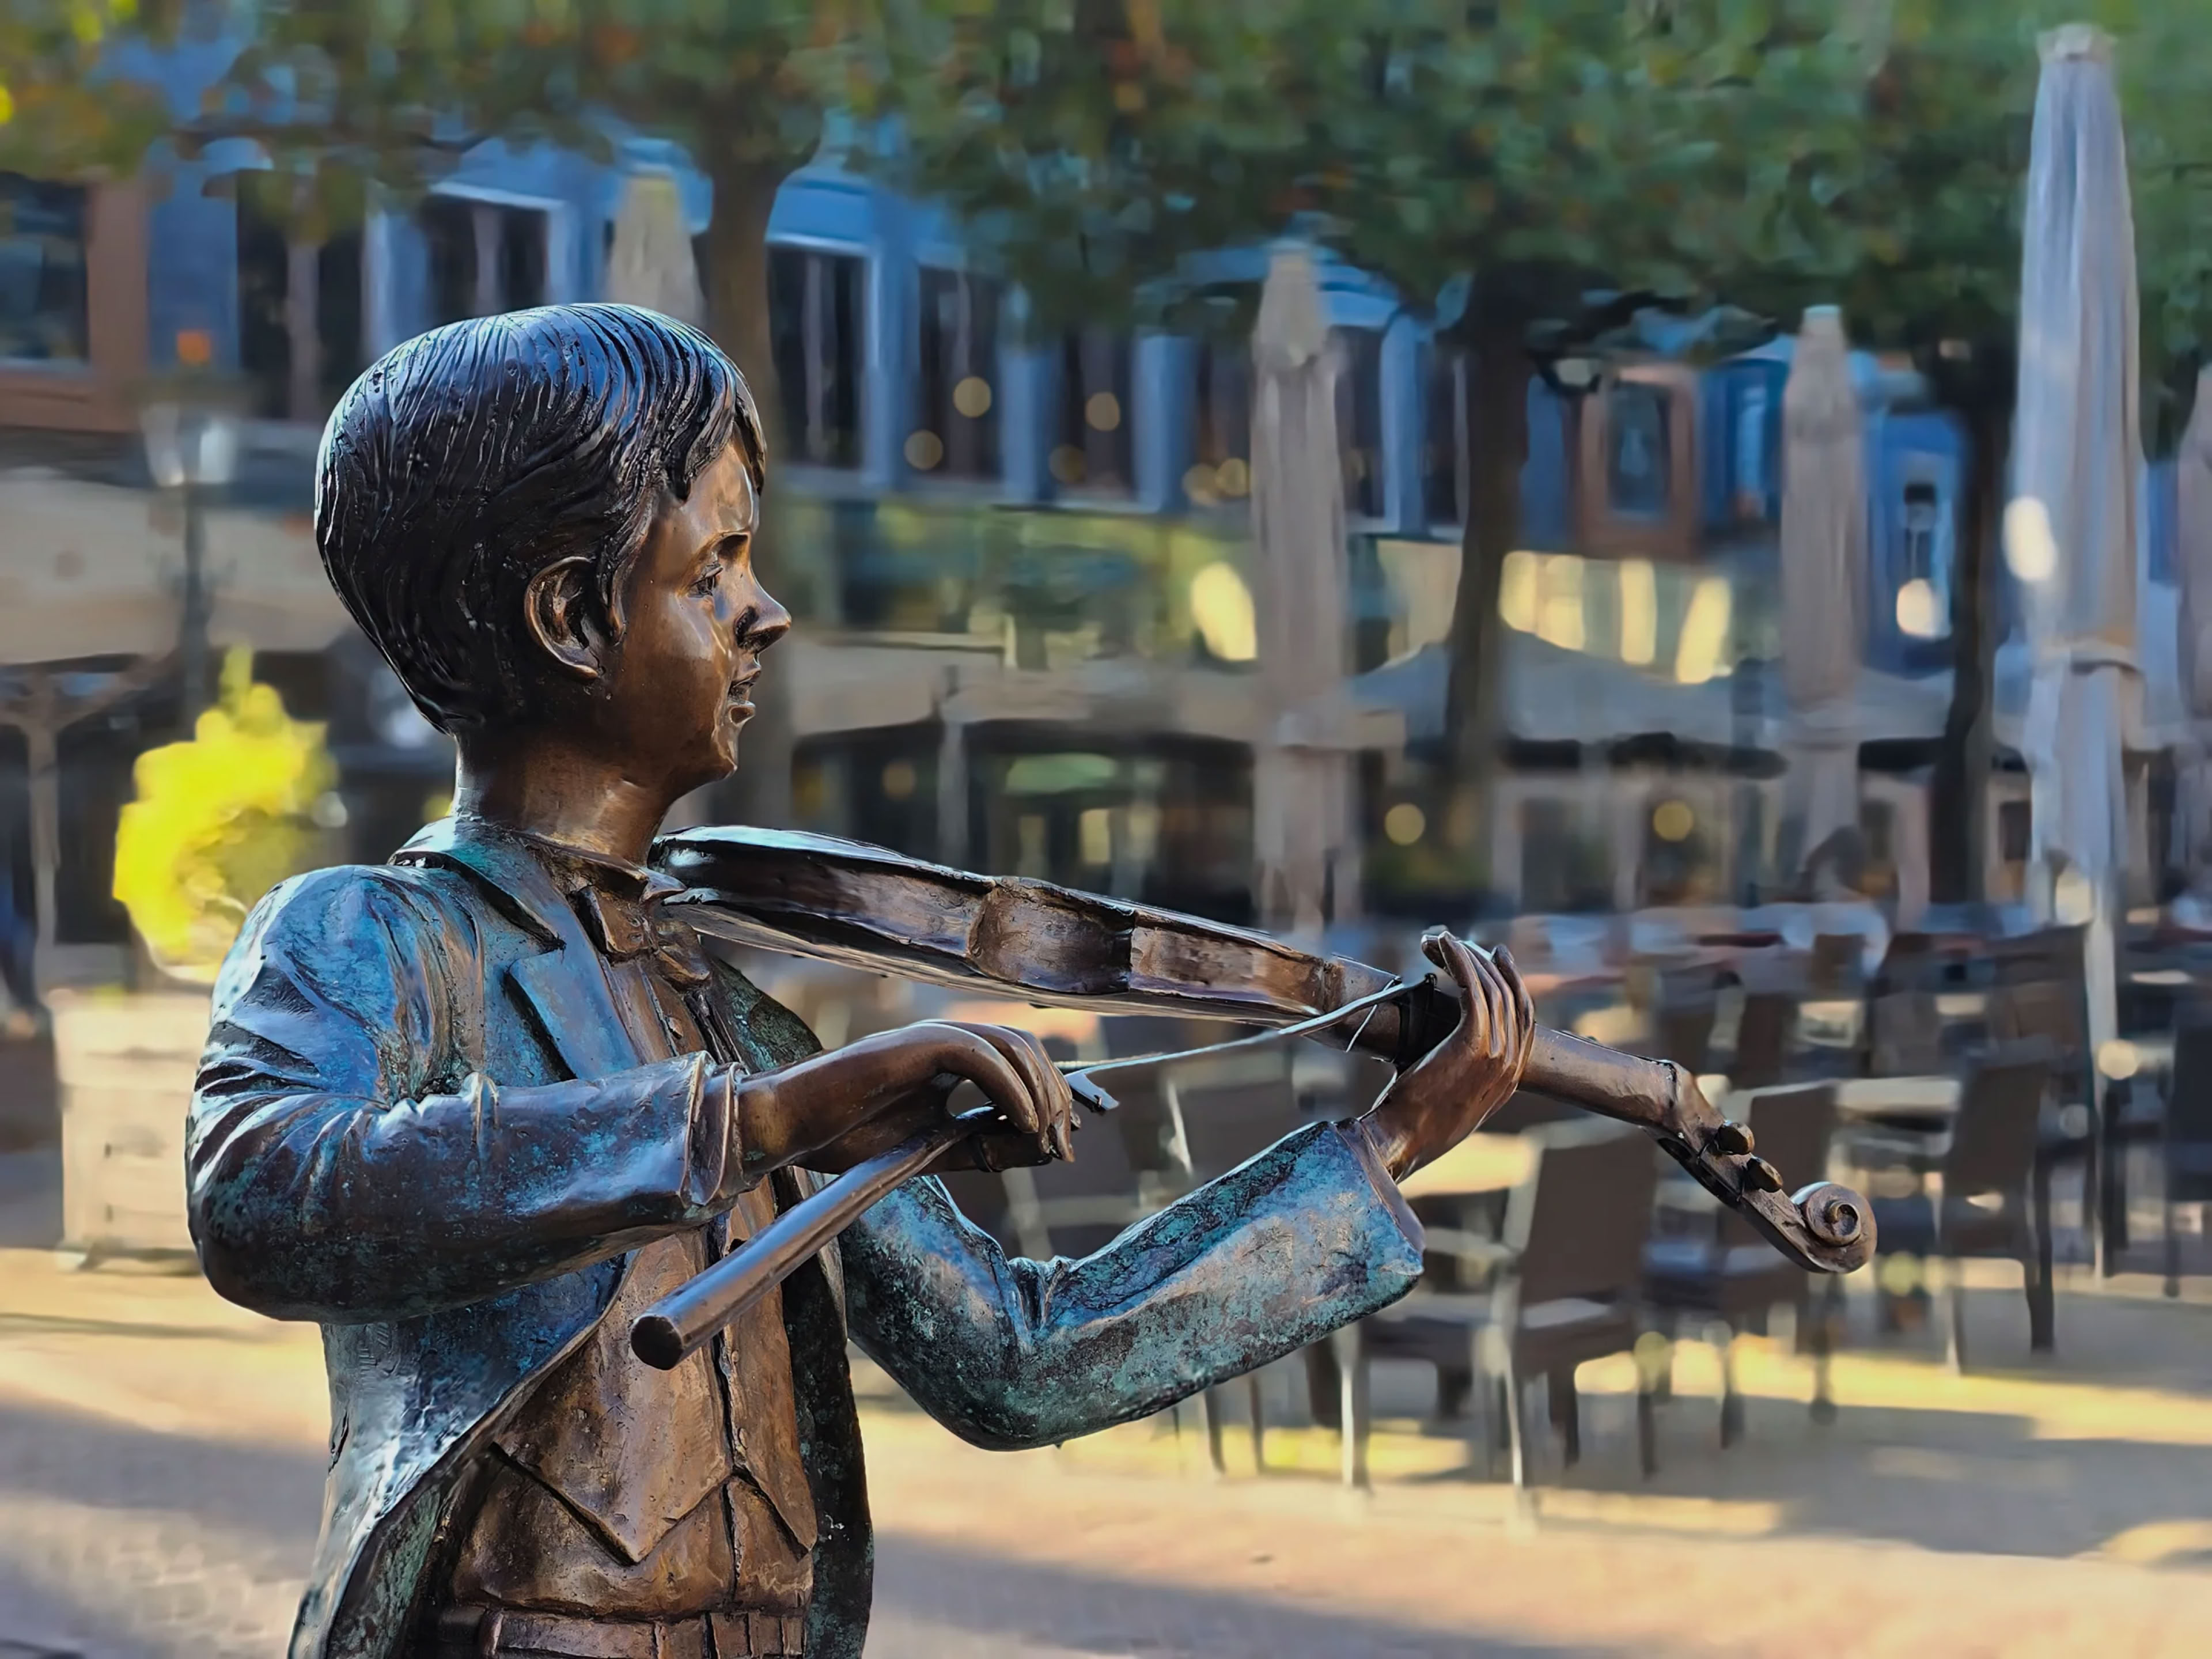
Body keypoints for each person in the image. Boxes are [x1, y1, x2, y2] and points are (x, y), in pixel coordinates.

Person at [187, 305, 1535, 1659]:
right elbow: (261, 1193)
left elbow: (1015, 1358)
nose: (766, 613)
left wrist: (1380, 1150)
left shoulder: (721, 1005)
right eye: (713, 570)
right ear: (570, 616)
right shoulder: (377, 939)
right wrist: (758, 1123)